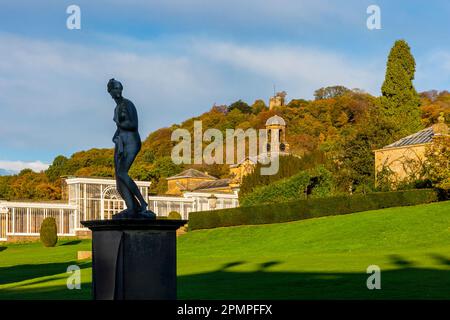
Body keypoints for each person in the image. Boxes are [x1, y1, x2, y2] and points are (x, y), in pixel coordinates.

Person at [107, 78, 155, 219]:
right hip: (121, 142)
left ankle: (143, 203)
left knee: (122, 173)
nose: (117, 91)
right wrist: (115, 136)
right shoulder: (117, 107)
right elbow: (120, 129)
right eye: (114, 89)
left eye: (119, 88)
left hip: (132, 142)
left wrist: (118, 123)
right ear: (110, 92)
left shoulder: (128, 104)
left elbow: (133, 125)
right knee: (118, 181)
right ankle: (132, 208)